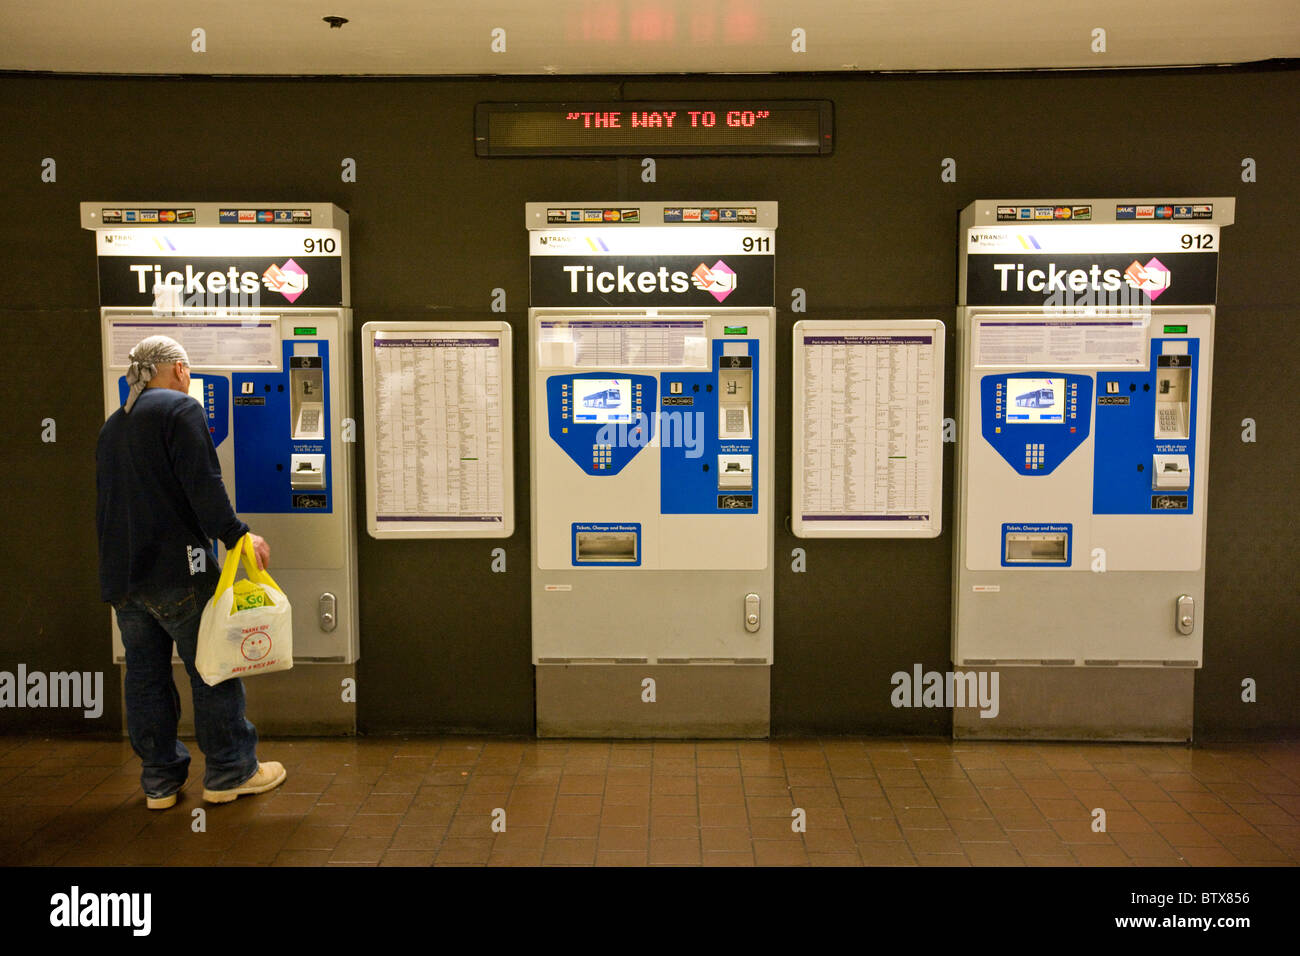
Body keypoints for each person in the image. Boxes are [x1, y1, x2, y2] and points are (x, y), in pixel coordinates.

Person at [96, 335, 286, 809]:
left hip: (124, 578)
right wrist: (239, 536)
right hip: (177, 571)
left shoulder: (112, 427)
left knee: (144, 675)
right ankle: (230, 771)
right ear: (180, 370)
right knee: (214, 668)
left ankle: (159, 781)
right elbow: (204, 485)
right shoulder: (180, 411)